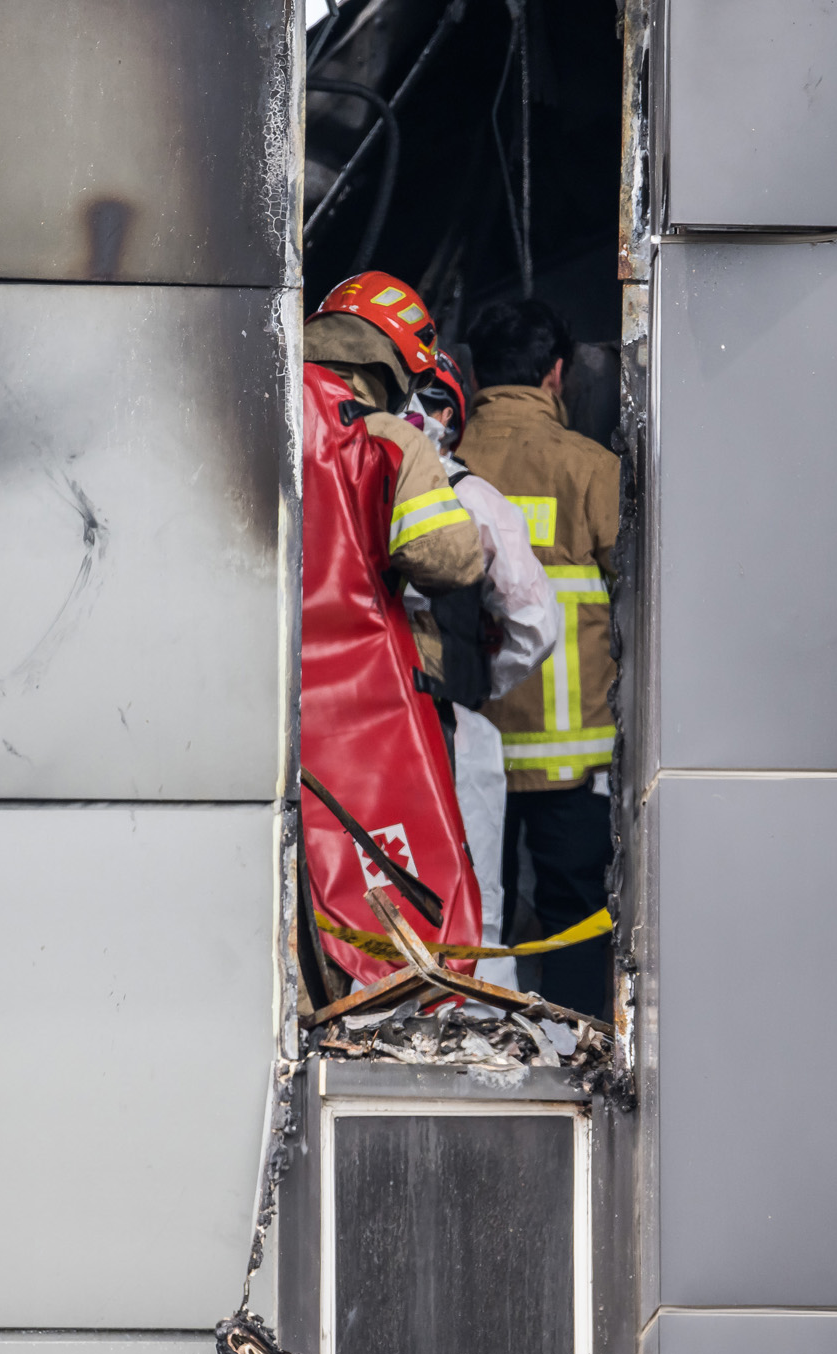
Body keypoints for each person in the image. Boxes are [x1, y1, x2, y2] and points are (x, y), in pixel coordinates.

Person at [300, 272, 487, 991]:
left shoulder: (243, 405)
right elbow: (444, 559)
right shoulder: (385, 439)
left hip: (234, 696)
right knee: (368, 901)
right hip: (355, 715)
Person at [455, 298, 621, 1017]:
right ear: (557, 373)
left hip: (465, 749)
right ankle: (576, 1047)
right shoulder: (590, 468)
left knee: (468, 914)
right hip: (571, 756)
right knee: (576, 916)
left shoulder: (441, 466)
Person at [401, 348, 561, 992]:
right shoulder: (475, 499)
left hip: (354, 739)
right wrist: (474, 685)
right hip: (450, 730)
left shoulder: (334, 482)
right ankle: (480, 1046)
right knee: (473, 907)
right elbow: (534, 623)